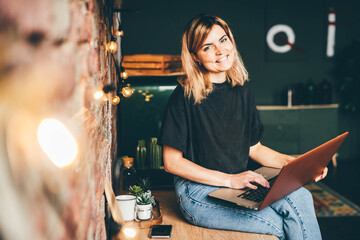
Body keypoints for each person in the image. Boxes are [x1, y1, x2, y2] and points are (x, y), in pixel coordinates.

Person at [158, 14, 327, 240]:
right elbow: (171, 163)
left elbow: (254, 148)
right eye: (208, 47)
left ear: (231, 41)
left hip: (238, 183)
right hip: (197, 191)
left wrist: (299, 164)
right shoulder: (184, 96)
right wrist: (230, 180)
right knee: (279, 225)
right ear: (195, 57)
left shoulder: (241, 90)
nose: (220, 51)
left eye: (223, 40)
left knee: (302, 198)